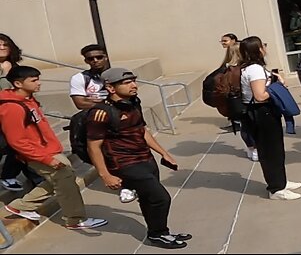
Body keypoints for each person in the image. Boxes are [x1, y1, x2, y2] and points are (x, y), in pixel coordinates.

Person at [86, 67, 193, 248]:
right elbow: (93, 147)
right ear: (111, 88)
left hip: (145, 158)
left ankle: (158, 232)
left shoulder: (134, 102)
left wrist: (163, 153)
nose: (134, 85)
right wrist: (105, 175)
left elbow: (142, 131)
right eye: (127, 83)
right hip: (124, 163)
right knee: (161, 198)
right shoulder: (100, 113)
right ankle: (159, 233)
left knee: (148, 198)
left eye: (134, 81)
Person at [1, 66, 107, 229]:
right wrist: (46, 159)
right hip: (39, 153)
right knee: (66, 180)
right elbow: (17, 141)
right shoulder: (12, 107)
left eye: (38, 79)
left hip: (49, 148)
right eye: (34, 80)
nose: (39, 83)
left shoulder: (28, 100)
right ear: (18, 83)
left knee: (63, 178)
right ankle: (75, 219)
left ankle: (22, 205)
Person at [69, 44, 137, 203]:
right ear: (86, 60)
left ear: (106, 57)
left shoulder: (118, 74)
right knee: (105, 152)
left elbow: (129, 96)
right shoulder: (80, 78)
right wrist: (108, 103)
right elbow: (79, 103)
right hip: (96, 120)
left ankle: (131, 182)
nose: (95, 61)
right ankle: (124, 185)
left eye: (99, 57)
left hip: (123, 119)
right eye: (90, 58)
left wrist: (95, 101)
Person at [237, 37, 300, 199]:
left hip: (260, 112)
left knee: (275, 149)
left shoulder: (248, 68)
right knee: (270, 151)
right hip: (262, 112)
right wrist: (277, 86)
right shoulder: (255, 69)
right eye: (263, 45)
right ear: (257, 50)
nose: (265, 47)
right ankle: (276, 188)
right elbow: (260, 95)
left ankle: (281, 181)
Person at [0, 34, 39, 194]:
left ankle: (34, 179)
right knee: (9, 145)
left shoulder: (16, 67)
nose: (2, 48)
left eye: (5, 45)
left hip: (19, 112)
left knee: (20, 144)